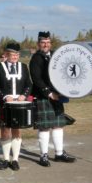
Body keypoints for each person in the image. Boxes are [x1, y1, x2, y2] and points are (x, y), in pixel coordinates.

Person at [29, 31, 76, 167]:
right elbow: (36, 79)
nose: (46, 45)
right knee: (44, 127)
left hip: (57, 95)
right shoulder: (36, 58)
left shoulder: (56, 55)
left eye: (48, 42)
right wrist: (49, 93)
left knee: (58, 125)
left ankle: (59, 153)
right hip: (44, 96)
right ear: (38, 44)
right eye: (43, 43)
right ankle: (43, 155)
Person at [0, 42, 32, 171]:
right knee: (5, 130)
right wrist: (4, 96)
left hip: (19, 104)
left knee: (17, 130)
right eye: (12, 54)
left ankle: (15, 159)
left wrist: (24, 95)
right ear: (7, 55)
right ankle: (5, 159)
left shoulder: (23, 66)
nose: (15, 57)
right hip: (5, 103)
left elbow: (29, 85)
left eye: (17, 54)